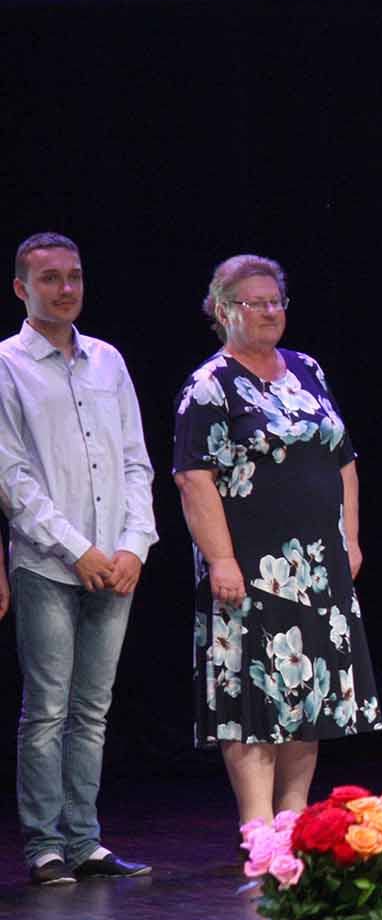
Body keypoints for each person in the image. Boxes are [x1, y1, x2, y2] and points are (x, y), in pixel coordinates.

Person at [172, 255, 382, 831]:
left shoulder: (307, 368)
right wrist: (220, 559)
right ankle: (258, 828)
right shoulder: (210, 385)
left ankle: (294, 821)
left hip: (316, 565)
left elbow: (344, 459)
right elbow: (194, 478)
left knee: (307, 691)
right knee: (254, 694)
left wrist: (350, 539)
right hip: (249, 567)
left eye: (276, 302)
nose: (269, 312)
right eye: (255, 303)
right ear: (223, 311)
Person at [0, 231, 158, 885]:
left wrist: (133, 545)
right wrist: (78, 549)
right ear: (22, 288)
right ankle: (45, 845)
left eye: (75, 276)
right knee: (48, 709)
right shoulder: (7, 364)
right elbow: (12, 476)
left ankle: (84, 839)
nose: (66, 289)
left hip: (115, 563)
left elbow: (136, 460)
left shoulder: (108, 361)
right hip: (48, 563)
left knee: (93, 708)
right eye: (50, 278)